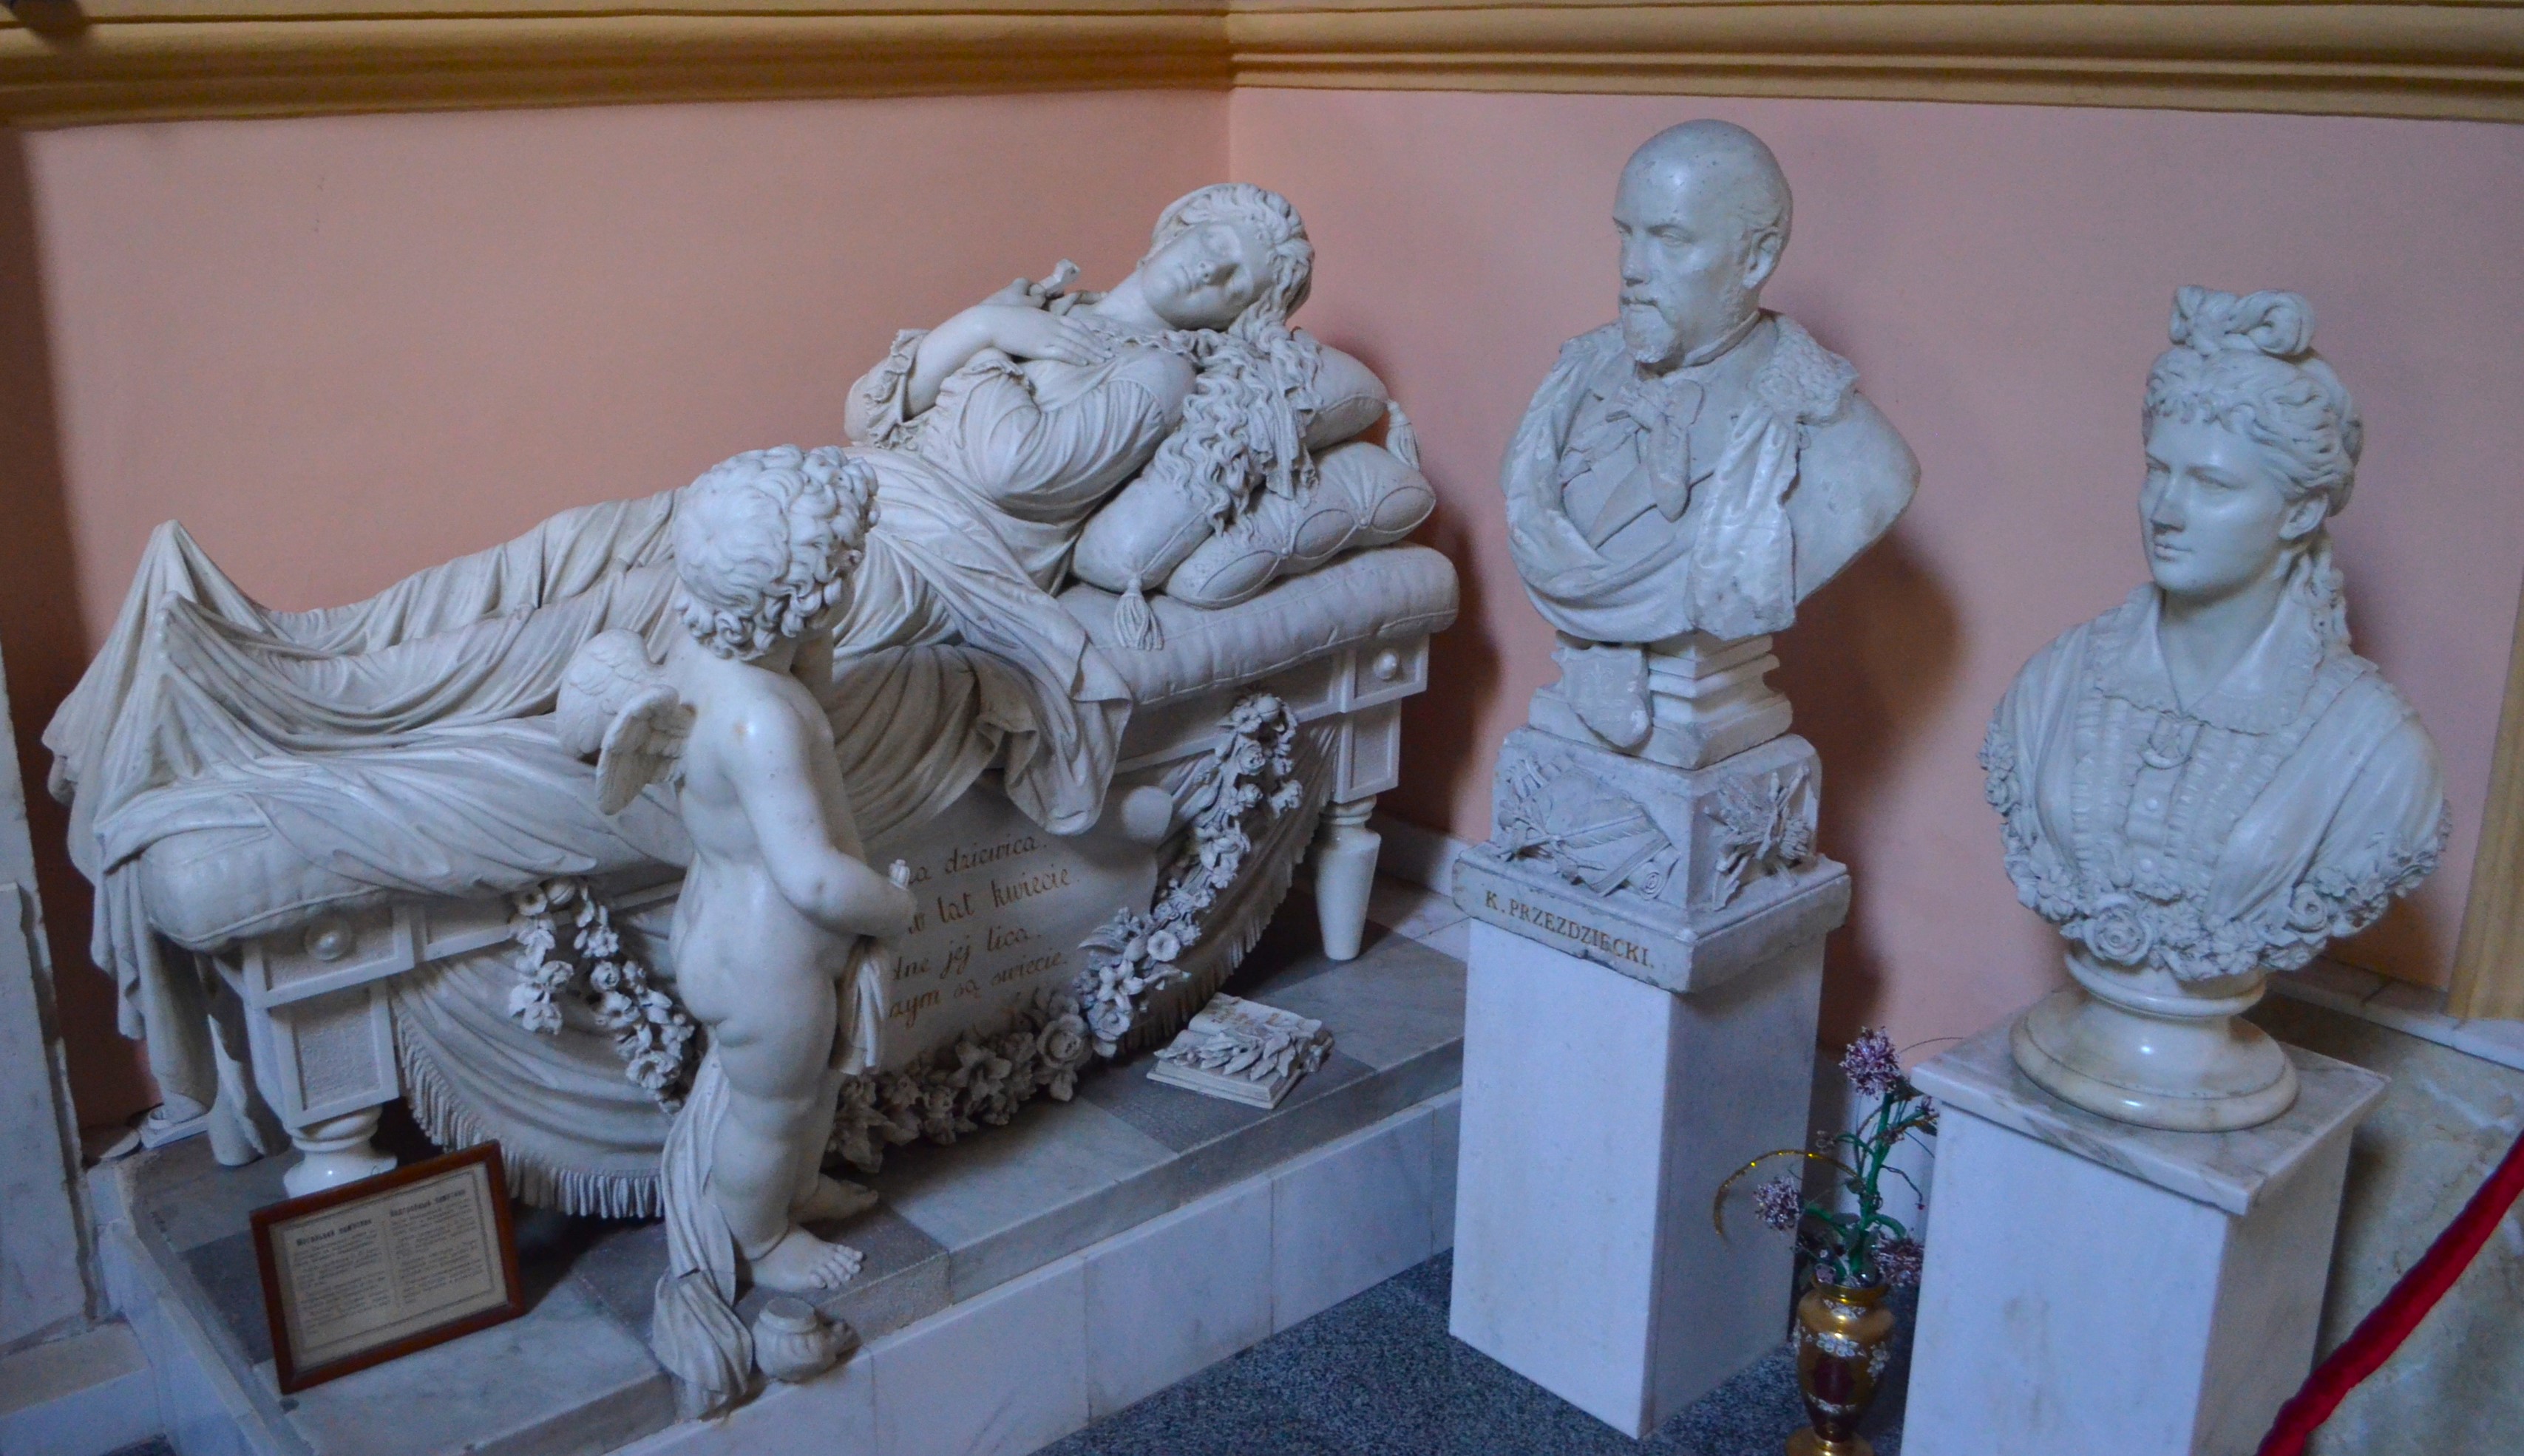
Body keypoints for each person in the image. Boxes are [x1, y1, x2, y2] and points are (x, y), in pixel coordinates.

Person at [1986, 287, 2448, 1128]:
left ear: (2300, 509)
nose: (2166, 508)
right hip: (2068, 1057)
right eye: (2158, 469)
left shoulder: (2376, 753)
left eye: (2212, 483)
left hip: (2212, 1090)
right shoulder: (2054, 686)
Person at [1501, 120, 1916, 659]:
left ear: (1757, 258)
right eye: (1626, 235)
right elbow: (1525, 490)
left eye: (1670, 239)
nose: (1631, 269)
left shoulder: (1858, 456)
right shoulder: (1572, 380)